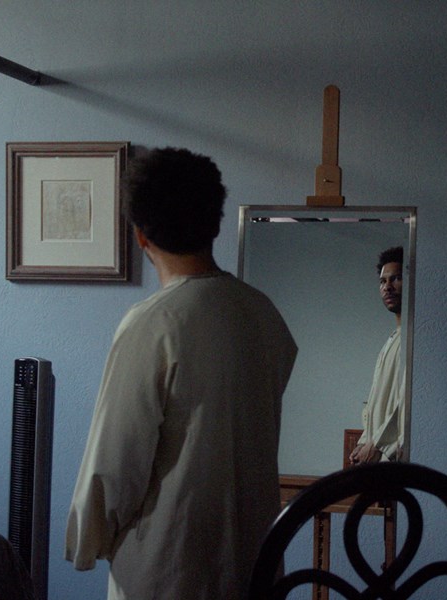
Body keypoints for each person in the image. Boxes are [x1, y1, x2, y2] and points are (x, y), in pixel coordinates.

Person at [65, 147, 298, 600]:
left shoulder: (154, 323)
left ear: (140, 236)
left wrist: (86, 538)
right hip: (254, 563)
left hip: (168, 569)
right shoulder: (262, 313)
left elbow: (114, 462)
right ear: (213, 224)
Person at [349, 246, 405, 465]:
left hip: (394, 458)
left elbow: (405, 404)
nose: (388, 287)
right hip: (379, 460)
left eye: (396, 278)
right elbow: (377, 404)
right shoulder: (391, 341)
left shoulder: (414, 341)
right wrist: (365, 441)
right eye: (383, 281)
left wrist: (376, 444)